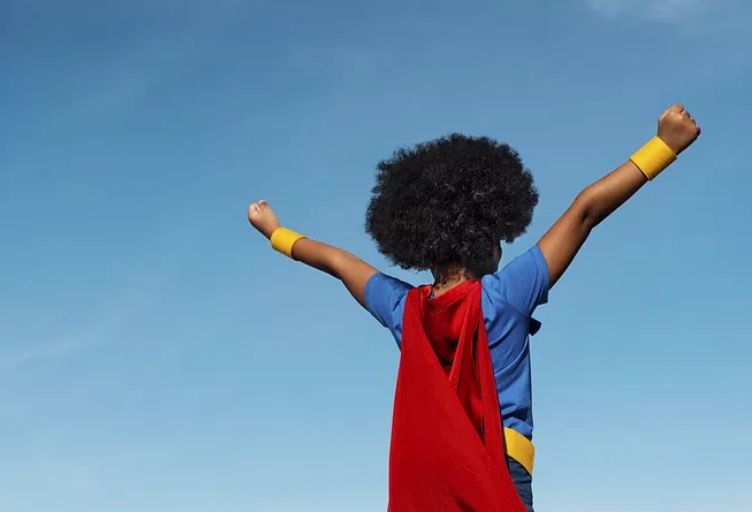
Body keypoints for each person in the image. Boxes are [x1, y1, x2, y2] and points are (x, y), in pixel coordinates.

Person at [247, 103, 701, 511]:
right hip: (496, 465)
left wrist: (275, 233)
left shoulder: (402, 307)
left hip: (427, 476)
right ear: (485, 238)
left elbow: (339, 262)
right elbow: (584, 212)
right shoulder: (504, 296)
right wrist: (664, 146)